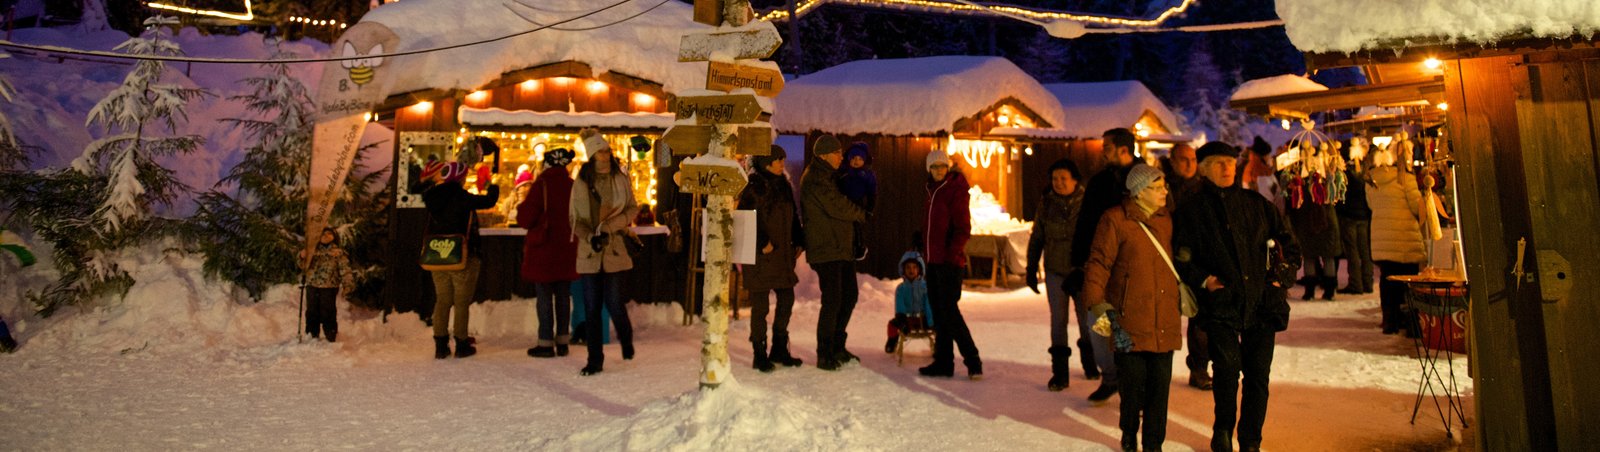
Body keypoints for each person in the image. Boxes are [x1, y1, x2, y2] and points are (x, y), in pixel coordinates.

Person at [1173, 142, 1301, 452]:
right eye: (1218, 163)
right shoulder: (1192, 210)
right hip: (1221, 303)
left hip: (1262, 303)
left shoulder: (1257, 204)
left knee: (1258, 376)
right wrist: (1203, 279)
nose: (1227, 168)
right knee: (1227, 371)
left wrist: (1279, 278)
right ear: (1204, 169)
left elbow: (1290, 245)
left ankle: (1251, 440)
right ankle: (1223, 430)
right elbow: (1181, 255)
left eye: (1230, 162)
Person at [1083, 164, 1182, 452]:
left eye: (1165, 185)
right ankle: (1129, 433)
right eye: (1157, 186)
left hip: (1164, 315)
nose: (1165, 191)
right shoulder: (1115, 220)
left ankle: (1154, 444)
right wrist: (1096, 302)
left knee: (1159, 390)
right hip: (1129, 318)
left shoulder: (1167, 220)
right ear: (1139, 192)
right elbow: (1099, 262)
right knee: (1132, 386)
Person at [1070, 127, 1143, 404]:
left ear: (1124, 149)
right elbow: (1086, 221)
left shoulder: (1144, 179)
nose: (1103, 152)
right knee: (1098, 326)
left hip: (1132, 266)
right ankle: (1110, 376)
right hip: (1101, 264)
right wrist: (1078, 262)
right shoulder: (1100, 181)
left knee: (1131, 329)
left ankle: (1133, 386)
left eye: (1107, 148)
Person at [423, 137, 501, 359]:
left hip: (437, 256)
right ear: (460, 178)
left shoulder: (432, 197)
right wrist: (492, 185)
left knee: (442, 300)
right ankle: (461, 342)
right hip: (462, 256)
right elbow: (488, 202)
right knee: (461, 302)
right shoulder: (461, 196)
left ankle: (440, 345)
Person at [571, 130, 641, 376]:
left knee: (614, 303)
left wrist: (611, 226)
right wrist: (590, 236)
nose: (606, 154)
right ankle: (594, 359)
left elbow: (633, 208)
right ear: (592, 155)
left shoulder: (620, 179)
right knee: (591, 308)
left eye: (607, 150)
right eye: (601, 151)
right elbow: (575, 219)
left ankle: (626, 338)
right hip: (590, 252)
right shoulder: (581, 182)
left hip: (614, 248)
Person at [801, 134, 866, 371]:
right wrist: (860, 213)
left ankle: (837, 345)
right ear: (824, 155)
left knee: (849, 296)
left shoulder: (829, 176)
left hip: (840, 248)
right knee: (833, 301)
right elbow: (837, 206)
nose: (842, 157)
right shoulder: (817, 179)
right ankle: (824, 352)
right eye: (837, 153)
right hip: (826, 249)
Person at [739, 145, 806, 372]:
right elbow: (745, 219)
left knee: (786, 298)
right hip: (761, 257)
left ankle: (779, 348)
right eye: (778, 160)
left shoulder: (783, 186)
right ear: (766, 162)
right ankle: (760, 353)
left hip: (781, 256)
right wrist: (762, 243)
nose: (782, 164)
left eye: (783, 160)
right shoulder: (754, 188)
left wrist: (799, 240)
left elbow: (793, 216)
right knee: (760, 307)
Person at [918, 150, 983, 380]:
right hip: (933, 262)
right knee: (939, 313)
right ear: (929, 169)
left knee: (950, 313)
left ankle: (973, 360)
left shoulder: (954, 190)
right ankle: (943, 362)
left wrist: (951, 253)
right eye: (934, 167)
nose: (938, 170)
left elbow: (962, 228)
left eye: (942, 166)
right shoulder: (931, 190)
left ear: (948, 168)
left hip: (949, 263)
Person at [1025, 158, 1085, 391]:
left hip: (1081, 271)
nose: (1058, 183)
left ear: (1075, 180)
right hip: (1055, 271)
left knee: (1086, 320)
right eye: (1054, 179)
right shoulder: (1047, 203)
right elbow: (1037, 235)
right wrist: (1031, 267)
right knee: (1058, 321)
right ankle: (1060, 373)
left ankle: (1090, 361)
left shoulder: (1086, 202)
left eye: (1063, 178)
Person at [518, 147, 579, 358]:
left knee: (544, 297)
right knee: (563, 296)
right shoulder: (573, 186)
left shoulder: (541, 185)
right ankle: (563, 340)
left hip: (544, 250)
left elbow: (525, 218)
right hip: (567, 249)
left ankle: (545, 342)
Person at [1163, 143, 1212, 391]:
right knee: (1165, 318)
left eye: (1192, 159)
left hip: (1196, 261)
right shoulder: (1162, 188)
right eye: (1183, 159)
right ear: (1172, 161)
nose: (1189, 164)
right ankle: (1160, 369)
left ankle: (1199, 368)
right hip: (1166, 259)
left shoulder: (1204, 189)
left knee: (1200, 319)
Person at [1367, 142, 1426, 336]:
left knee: (1388, 280)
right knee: (1408, 281)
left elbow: (1371, 206)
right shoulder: (1405, 179)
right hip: (1405, 237)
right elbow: (1418, 208)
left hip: (1382, 238)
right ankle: (1410, 323)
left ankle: (1390, 321)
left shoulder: (1372, 181)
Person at [298, 229, 353, 343]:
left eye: (329, 234)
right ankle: (311, 335)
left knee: (328, 312)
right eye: (323, 233)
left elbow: (345, 270)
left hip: (329, 287)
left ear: (334, 237)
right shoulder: (312, 250)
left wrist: (348, 284)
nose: (326, 236)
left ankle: (330, 336)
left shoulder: (338, 253)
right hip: (312, 285)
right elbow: (302, 266)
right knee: (312, 311)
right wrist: (302, 256)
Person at [1337, 143, 1375, 295]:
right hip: (1363, 216)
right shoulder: (1366, 175)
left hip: (1350, 217)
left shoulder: (1347, 174)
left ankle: (1356, 283)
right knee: (1364, 250)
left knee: (1352, 251)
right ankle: (1368, 282)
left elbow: (1343, 196)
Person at [887, 252, 934, 353]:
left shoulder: (925, 287)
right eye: (908, 267)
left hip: (923, 318)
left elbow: (928, 304)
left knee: (940, 325)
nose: (911, 270)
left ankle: (940, 346)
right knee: (892, 325)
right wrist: (902, 319)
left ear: (919, 269)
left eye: (914, 267)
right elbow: (900, 306)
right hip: (908, 320)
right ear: (903, 270)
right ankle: (892, 341)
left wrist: (931, 321)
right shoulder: (901, 288)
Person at [837, 141, 877, 261]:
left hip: (858, 202)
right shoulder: (843, 172)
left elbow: (872, 192)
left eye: (860, 159)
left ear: (864, 161)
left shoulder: (866, 174)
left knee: (857, 226)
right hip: (843, 201)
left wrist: (870, 209)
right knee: (844, 226)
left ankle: (859, 246)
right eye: (854, 158)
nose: (856, 161)